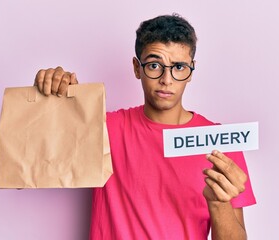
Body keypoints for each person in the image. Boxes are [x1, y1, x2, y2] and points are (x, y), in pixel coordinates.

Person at [34, 14, 256, 240]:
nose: (166, 79)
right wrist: (54, 96)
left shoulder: (219, 144)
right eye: (154, 65)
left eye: (178, 67)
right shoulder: (105, 130)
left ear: (191, 70)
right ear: (137, 68)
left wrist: (219, 204)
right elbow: (38, 156)